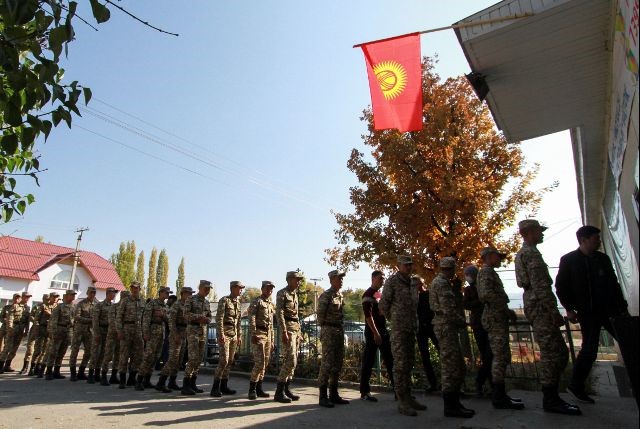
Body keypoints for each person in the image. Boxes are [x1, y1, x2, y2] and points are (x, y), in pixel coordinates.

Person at [555, 225, 629, 404]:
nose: (599, 241)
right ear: (584, 239)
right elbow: (561, 287)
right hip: (588, 313)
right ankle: (576, 386)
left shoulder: (602, 259)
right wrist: (570, 309)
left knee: (629, 342)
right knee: (589, 350)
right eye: (596, 238)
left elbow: (614, 284)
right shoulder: (569, 260)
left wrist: (622, 308)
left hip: (611, 311)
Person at [515, 219, 581, 415]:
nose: (542, 234)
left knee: (558, 353)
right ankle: (551, 399)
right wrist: (554, 312)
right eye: (539, 230)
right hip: (541, 308)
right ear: (528, 232)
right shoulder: (530, 254)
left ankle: (551, 396)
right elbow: (541, 286)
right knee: (553, 354)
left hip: (537, 306)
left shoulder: (525, 253)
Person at [477, 247, 524, 410]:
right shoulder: (486, 272)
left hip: (498, 318)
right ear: (490, 257)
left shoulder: (490, 272)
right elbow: (486, 295)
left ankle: (501, 394)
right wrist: (504, 309)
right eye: (498, 257)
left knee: (501, 356)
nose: (500, 259)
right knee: (499, 357)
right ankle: (498, 396)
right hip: (495, 319)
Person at [379, 255, 425, 417]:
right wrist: (395, 319)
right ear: (398, 265)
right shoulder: (392, 281)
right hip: (399, 328)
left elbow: (414, 304)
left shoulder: (413, 282)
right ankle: (402, 401)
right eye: (405, 265)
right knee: (400, 364)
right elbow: (383, 304)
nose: (408, 267)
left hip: (411, 327)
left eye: (410, 265)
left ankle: (409, 397)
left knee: (409, 363)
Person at [431, 256, 475, 418]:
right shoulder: (442, 284)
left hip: (444, 326)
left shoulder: (439, 282)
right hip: (446, 327)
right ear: (451, 268)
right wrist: (462, 322)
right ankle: (451, 406)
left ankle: (454, 403)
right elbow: (448, 309)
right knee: (451, 366)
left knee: (454, 365)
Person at [359, 270, 394, 402]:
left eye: (383, 278)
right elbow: (368, 317)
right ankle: (365, 392)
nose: (382, 280)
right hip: (373, 332)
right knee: (368, 361)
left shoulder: (378, 294)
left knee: (390, 360)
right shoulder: (368, 294)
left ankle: (399, 391)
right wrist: (376, 333)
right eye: (380, 278)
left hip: (382, 330)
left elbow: (381, 312)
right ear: (373, 279)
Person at [317, 270, 350, 408]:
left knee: (338, 363)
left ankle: (334, 394)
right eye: (338, 278)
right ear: (331, 280)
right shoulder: (326, 295)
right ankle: (323, 396)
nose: (341, 281)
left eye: (342, 278)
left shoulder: (340, 295)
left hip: (338, 330)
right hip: (329, 330)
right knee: (327, 363)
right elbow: (320, 316)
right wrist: (327, 330)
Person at [274, 270, 304, 403]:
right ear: (289, 280)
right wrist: (284, 331)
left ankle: (286, 389)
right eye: (296, 279)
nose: (298, 282)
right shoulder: (282, 293)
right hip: (288, 330)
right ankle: (278, 392)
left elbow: (296, 316)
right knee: (290, 360)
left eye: (299, 280)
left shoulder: (295, 295)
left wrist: (300, 332)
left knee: (294, 361)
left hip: (295, 330)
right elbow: (279, 314)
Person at [462, 265, 493, 395]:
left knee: (490, 355)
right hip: (478, 325)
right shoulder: (468, 290)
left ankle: (483, 382)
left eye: (469, 274)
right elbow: (465, 304)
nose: (467, 277)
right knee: (487, 355)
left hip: (488, 323)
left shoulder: (483, 285)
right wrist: (478, 302)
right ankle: (485, 383)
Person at [211, 281, 244, 397]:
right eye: (239, 288)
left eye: (241, 288)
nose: (241, 290)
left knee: (229, 361)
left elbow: (238, 321)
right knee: (223, 361)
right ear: (233, 288)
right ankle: (215, 387)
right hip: (225, 334)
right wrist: (220, 335)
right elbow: (219, 318)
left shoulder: (238, 303)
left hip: (233, 335)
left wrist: (239, 335)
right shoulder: (224, 300)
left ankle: (224, 386)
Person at [158, 287, 193, 392]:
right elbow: (171, 322)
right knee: (173, 359)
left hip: (184, 334)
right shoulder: (177, 305)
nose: (190, 296)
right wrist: (175, 334)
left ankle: (172, 382)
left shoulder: (187, 305)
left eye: (191, 294)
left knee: (179, 360)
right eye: (188, 294)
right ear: (183, 294)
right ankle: (161, 382)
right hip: (176, 334)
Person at [136, 286, 171, 391]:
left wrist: (163, 315)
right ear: (161, 293)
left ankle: (147, 380)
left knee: (155, 357)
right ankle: (139, 380)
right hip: (152, 333)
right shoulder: (152, 304)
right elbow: (146, 319)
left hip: (161, 334)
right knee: (148, 357)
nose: (168, 295)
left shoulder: (166, 306)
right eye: (166, 292)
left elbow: (169, 320)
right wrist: (145, 333)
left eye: (169, 293)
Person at [182, 280, 212, 395]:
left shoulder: (207, 302)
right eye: (206, 288)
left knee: (199, 359)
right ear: (200, 288)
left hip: (202, 331)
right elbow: (185, 314)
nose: (207, 291)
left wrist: (207, 319)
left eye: (209, 289)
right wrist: (199, 317)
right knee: (193, 358)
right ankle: (186, 384)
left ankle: (193, 383)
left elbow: (209, 316)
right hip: (193, 330)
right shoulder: (191, 299)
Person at [247, 281, 276, 400]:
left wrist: (272, 340)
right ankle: (252, 389)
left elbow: (271, 324)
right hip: (258, 333)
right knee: (259, 362)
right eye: (267, 288)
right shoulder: (256, 301)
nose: (269, 290)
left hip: (268, 334)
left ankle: (259, 388)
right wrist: (253, 333)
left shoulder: (270, 304)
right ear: (262, 289)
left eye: (271, 289)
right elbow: (252, 317)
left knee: (265, 363)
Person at [116, 281, 145, 389]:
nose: (134, 289)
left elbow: (145, 318)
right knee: (124, 355)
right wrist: (119, 331)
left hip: (138, 331)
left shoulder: (142, 301)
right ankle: (122, 380)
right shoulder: (125, 301)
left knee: (138, 355)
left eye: (136, 288)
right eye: (132, 288)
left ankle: (132, 378)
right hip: (127, 329)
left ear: (139, 289)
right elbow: (119, 317)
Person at [88, 287, 118, 384]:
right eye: (113, 293)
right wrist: (96, 333)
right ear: (108, 293)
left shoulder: (113, 306)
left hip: (108, 331)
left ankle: (97, 373)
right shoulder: (99, 305)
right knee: (95, 352)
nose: (114, 295)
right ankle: (90, 374)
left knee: (104, 353)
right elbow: (95, 320)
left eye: (115, 293)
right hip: (100, 330)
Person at [415, 276, 439, 393]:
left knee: (442, 353)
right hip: (421, 330)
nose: (418, 287)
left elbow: (433, 309)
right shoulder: (414, 298)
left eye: (419, 284)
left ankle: (445, 381)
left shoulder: (429, 295)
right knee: (425, 357)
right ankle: (432, 383)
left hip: (432, 327)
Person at [44, 290, 76, 380]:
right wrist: (52, 332)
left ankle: (56, 371)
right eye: (72, 295)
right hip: (59, 330)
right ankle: (48, 372)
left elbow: (75, 320)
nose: (73, 296)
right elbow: (53, 321)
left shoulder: (74, 307)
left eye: (74, 295)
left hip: (68, 331)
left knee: (62, 352)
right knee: (53, 351)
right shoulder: (60, 307)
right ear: (66, 296)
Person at [69, 286, 97, 382]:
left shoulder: (96, 305)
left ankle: (81, 371)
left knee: (89, 352)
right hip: (79, 331)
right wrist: (90, 320)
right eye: (91, 293)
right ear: (87, 293)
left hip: (89, 332)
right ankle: (73, 373)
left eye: (94, 293)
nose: (92, 294)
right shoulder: (81, 304)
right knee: (75, 351)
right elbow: (77, 317)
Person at [101, 290, 128, 386]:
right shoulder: (114, 307)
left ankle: (113, 376)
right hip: (113, 335)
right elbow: (112, 321)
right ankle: (103, 376)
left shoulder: (127, 308)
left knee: (118, 356)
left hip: (121, 335)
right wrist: (118, 331)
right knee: (108, 355)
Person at [33, 292, 59, 377]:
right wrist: (36, 329)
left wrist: (50, 314)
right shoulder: (43, 306)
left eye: (56, 297)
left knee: (46, 350)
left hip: (50, 330)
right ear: (50, 297)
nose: (55, 298)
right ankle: (32, 368)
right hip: (42, 328)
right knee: (38, 349)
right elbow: (37, 319)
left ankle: (39, 367)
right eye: (54, 297)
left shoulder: (58, 307)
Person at [22, 294, 48, 375]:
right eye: (45, 298)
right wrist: (37, 321)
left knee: (41, 350)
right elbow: (31, 316)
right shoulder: (37, 306)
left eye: (48, 299)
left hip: (44, 330)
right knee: (30, 349)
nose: (47, 300)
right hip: (35, 329)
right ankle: (25, 367)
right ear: (43, 298)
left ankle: (37, 367)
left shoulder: (50, 308)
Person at [0, 293, 24, 374]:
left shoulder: (23, 308)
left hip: (18, 329)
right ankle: (0, 366)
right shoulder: (7, 307)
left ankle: (7, 365)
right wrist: (6, 322)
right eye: (15, 298)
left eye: (18, 298)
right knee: (6, 347)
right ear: (13, 298)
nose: (16, 300)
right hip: (5, 329)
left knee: (13, 348)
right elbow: (1, 317)